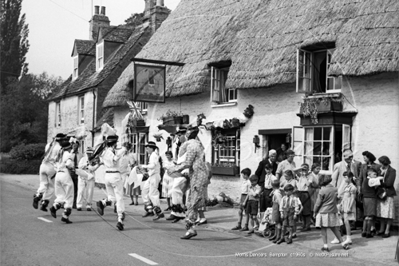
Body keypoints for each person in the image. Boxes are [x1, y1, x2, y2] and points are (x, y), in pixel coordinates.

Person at [167, 125, 209, 240]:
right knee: (194, 202)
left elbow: (187, 163)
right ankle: (190, 228)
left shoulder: (191, 145)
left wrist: (174, 169)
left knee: (192, 203)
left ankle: (190, 229)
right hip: (197, 175)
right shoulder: (197, 144)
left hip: (197, 175)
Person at [96, 135, 127, 231]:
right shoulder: (110, 152)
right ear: (114, 143)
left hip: (107, 176)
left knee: (112, 197)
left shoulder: (104, 152)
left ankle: (103, 203)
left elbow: (102, 161)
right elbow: (115, 159)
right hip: (115, 175)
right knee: (119, 197)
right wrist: (124, 150)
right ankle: (120, 219)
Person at [314, 175, 350, 251]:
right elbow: (337, 200)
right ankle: (343, 243)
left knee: (323, 230)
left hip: (323, 212)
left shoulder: (322, 190)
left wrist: (315, 211)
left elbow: (318, 203)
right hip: (333, 211)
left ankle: (325, 246)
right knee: (334, 228)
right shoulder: (335, 189)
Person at [33, 133, 67, 211]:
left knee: (43, 184)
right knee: (51, 186)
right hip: (51, 167)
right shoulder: (60, 148)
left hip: (43, 165)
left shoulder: (49, 145)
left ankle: (38, 195)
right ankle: (44, 203)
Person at [49, 138, 75, 224]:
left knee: (60, 195)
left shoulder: (59, 154)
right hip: (65, 174)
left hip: (58, 175)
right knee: (69, 195)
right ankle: (65, 215)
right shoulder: (67, 153)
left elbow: (54, 164)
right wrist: (72, 167)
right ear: (68, 147)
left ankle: (55, 206)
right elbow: (68, 164)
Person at [140, 141, 164, 221]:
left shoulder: (154, 155)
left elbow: (153, 166)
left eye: (148, 148)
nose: (146, 149)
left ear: (151, 148)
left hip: (155, 176)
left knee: (153, 193)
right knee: (144, 191)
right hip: (151, 176)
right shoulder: (151, 155)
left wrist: (144, 166)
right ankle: (149, 208)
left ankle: (159, 212)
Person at [358, 151, 381, 234]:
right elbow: (360, 177)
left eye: (365, 157)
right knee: (366, 210)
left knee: (372, 210)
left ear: (369, 157)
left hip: (373, 190)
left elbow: (378, 177)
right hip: (365, 189)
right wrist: (359, 187)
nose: (364, 159)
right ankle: (367, 229)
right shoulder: (363, 166)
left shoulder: (377, 166)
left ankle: (372, 227)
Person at [376, 156, 396, 238]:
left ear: (384, 162)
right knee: (381, 212)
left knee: (388, 213)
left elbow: (389, 183)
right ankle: (381, 229)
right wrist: (381, 174)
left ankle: (387, 230)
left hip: (388, 194)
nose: (379, 164)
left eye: (380, 162)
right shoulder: (380, 170)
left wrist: (379, 181)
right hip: (381, 194)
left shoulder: (392, 170)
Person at [76, 147, 101, 211]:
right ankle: (79, 205)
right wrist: (87, 164)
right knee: (80, 191)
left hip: (90, 176)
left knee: (90, 192)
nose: (89, 155)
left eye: (90, 153)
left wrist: (98, 164)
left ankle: (88, 205)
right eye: (88, 153)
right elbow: (79, 166)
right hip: (82, 176)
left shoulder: (94, 160)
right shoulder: (83, 159)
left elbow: (93, 169)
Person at [255, 149, 278, 219]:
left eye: (275, 156)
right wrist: (259, 183)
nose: (273, 158)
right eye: (272, 156)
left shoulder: (275, 165)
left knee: (269, 203)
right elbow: (257, 173)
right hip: (263, 184)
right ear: (269, 156)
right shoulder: (263, 162)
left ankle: (268, 220)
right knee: (262, 203)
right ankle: (262, 220)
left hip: (271, 186)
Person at [339, 171, 357, 245]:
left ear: (350, 178)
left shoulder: (353, 187)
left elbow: (353, 198)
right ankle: (346, 237)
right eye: (344, 177)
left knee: (347, 222)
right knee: (344, 221)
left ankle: (348, 238)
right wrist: (341, 204)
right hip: (344, 204)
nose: (344, 178)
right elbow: (344, 197)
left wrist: (349, 207)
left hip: (349, 205)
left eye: (345, 177)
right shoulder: (346, 186)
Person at [297, 164, 312, 231]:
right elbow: (294, 171)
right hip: (300, 192)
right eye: (303, 170)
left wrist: (306, 175)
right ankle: (303, 224)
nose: (303, 171)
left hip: (305, 193)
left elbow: (308, 184)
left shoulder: (310, 176)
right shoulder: (300, 176)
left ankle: (307, 225)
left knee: (306, 210)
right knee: (301, 209)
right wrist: (300, 168)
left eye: (305, 169)